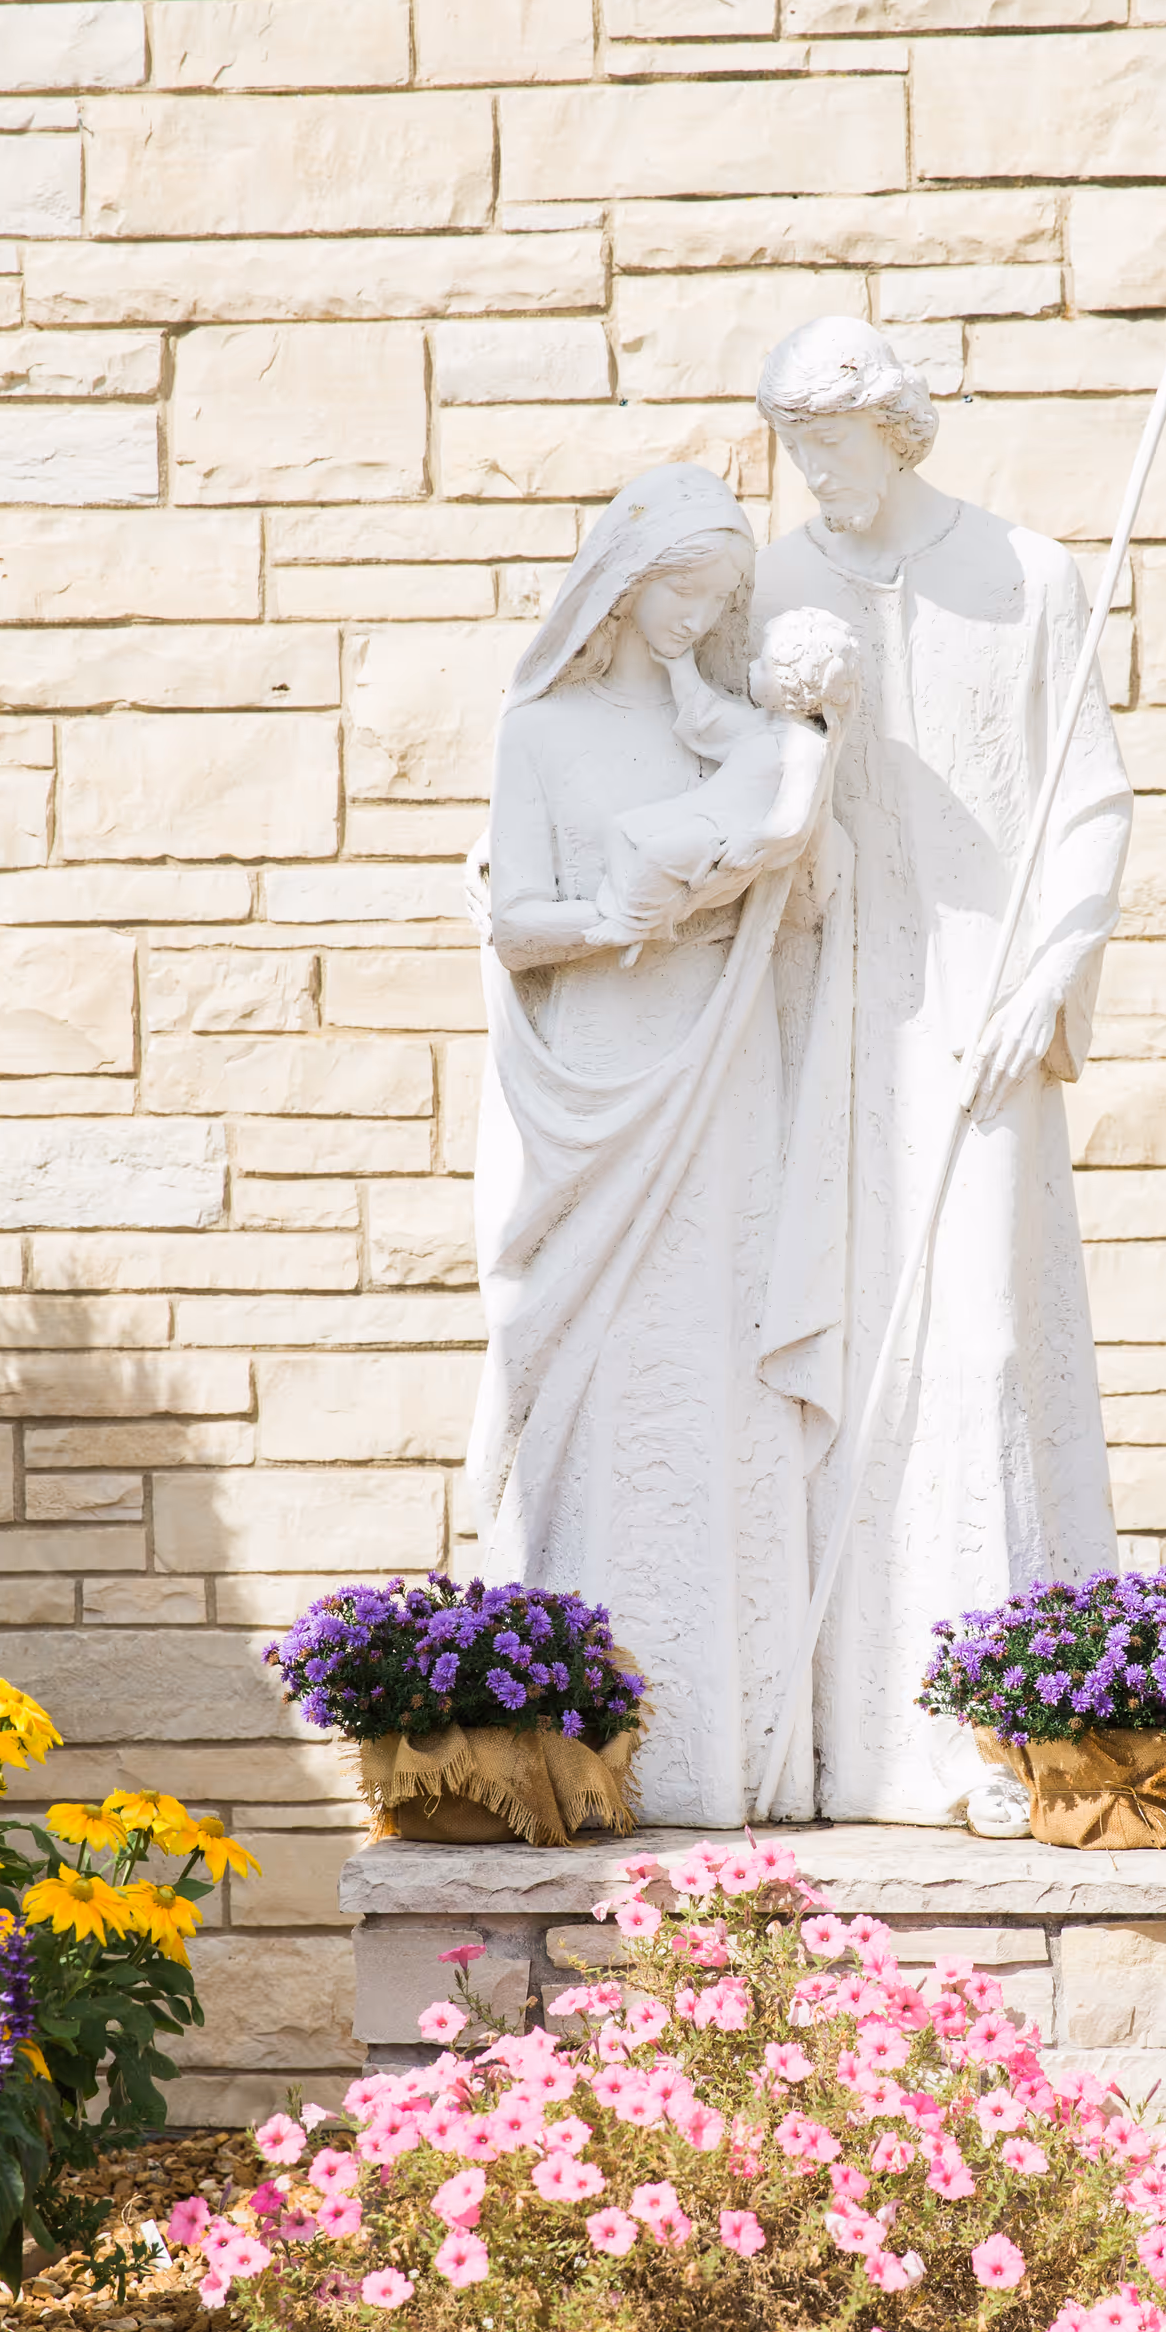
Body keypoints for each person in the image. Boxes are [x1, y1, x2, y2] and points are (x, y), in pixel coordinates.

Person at [753, 315, 1134, 1832]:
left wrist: (1047, 971)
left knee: (978, 1339)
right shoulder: (772, 587)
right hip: (826, 1020)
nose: (813, 474)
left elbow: (1092, 800)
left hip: (983, 1008)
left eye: (833, 442)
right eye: (793, 445)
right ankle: (837, 1737)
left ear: (898, 430)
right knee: (833, 1358)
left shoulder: (1029, 577)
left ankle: (995, 1733)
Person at [465, 464, 854, 1826]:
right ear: (624, 585)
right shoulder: (544, 733)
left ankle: (733, 1735)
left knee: (719, 1354)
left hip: (725, 1067)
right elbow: (516, 923)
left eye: (723, 598)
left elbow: (806, 914)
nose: (700, 617)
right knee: (602, 1362)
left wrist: (781, 819)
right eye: (684, 589)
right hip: (602, 1074)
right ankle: (570, 1719)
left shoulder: (734, 733)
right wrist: (645, 916)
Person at [585, 607, 860, 962]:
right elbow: (708, 719)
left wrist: (753, 840)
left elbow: (795, 819)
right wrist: (679, 664)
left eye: (761, 666)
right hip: (698, 810)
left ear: (792, 686)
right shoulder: (761, 725)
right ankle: (636, 914)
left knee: (655, 855)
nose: (751, 668)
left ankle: (636, 922)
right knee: (618, 829)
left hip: (724, 836)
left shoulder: (807, 746)